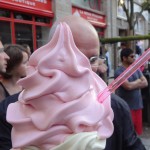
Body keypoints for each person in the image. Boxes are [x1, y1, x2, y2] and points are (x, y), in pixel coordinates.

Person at [0, 16, 146, 150]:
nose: (84, 70)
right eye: (74, 59)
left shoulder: (115, 107)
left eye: (92, 59)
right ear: (48, 57)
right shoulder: (10, 112)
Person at [114, 48, 148, 135]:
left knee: (137, 133)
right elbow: (128, 86)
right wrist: (138, 81)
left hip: (137, 106)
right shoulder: (119, 71)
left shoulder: (136, 69)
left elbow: (145, 83)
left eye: (134, 56)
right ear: (124, 58)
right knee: (127, 133)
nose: (134, 58)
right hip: (126, 107)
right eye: (131, 56)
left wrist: (134, 84)